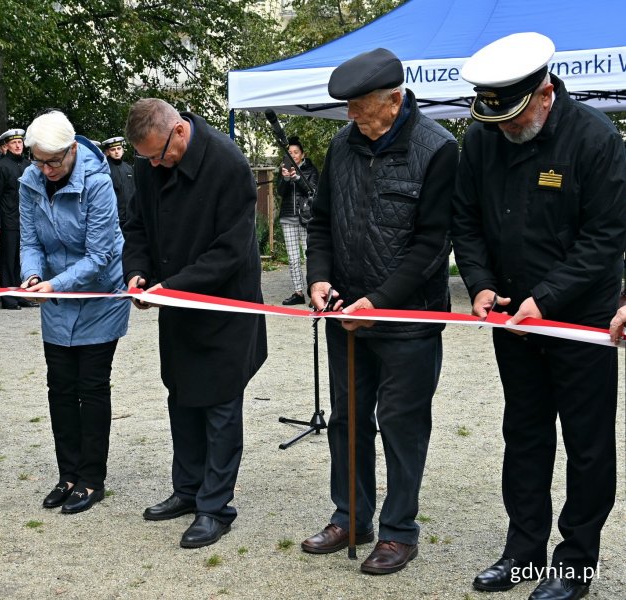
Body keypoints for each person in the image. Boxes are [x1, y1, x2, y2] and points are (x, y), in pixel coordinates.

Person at [451, 33, 626, 600]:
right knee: (523, 436)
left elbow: (604, 239)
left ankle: (575, 562)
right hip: (514, 321)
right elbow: (467, 222)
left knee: (588, 444)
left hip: (581, 320)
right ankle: (523, 553)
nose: (503, 128)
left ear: (545, 92)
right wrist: (479, 284)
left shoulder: (596, 140)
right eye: (494, 117)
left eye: (513, 116)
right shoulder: (481, 142)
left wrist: (547, 297)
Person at [304, 48, 458, 575]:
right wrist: (319, 277)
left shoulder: (438, 149)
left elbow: (433, 244)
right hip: (347, 312)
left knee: (401, 423)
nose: (350, 117)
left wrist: (383, 300)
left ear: (394, 101)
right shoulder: (343, 145)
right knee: (347, 419)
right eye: (346, 107)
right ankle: (351, 515)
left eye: (359, 107)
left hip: (408, 319)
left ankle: (398, 531)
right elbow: (320, 222)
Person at [122, 98, 267, 549]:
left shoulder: (227, 163)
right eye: (147, 159)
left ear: (179, 132)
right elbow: (137, 226)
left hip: (225, 305)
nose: (156, 164)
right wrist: (138, 273)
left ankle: (215, 508)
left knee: (221, 408)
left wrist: (175, 287)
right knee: (181, 397)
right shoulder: (150, 163)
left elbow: (232, 249)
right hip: (176, 302)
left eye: (160, 155)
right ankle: (187, 490)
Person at [18, 111, 130, 514]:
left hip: (99, 295)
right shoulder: (30, 181)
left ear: (71, 151)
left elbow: (100, 255)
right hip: (56, 297)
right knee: (60, 387)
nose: (46, 169)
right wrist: (32, 275)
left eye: (53, 162)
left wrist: (55, 284)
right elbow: (29, 240)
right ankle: (67, 474)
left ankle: (91, 480)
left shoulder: (98, 183)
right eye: (38, 161)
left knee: (92, 385)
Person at [0, 128, 36, 310]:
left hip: (27, 220)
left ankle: (23, 294)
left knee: (23, 259)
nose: (18, 145)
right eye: (14, 143)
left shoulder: (29, 165)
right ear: (7, 146)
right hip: (9, 220)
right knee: (8, 260)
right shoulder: (0, 167)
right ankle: (9, 297)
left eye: (20, 142)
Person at [276, 136, 319, 306]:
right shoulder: (284, 169)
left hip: (306, 218)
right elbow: (280, 192)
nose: (293, 155)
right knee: (293, 259)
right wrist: (286, 179)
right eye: (290, 152)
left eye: (296, 152)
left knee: (310, 256)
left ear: (302, 154)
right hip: (288, 218)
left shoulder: (310, 170)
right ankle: (298, 292)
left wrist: (298, 178)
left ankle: (313, 292)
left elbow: (313, 190)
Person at [101, 136, 134, 229]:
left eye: (119, 148)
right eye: (112, 149)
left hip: (130, 218)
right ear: (107, 152)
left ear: (123, 150)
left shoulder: (129, 168)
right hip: (113, 219)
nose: (116, 151)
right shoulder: (104, 169)